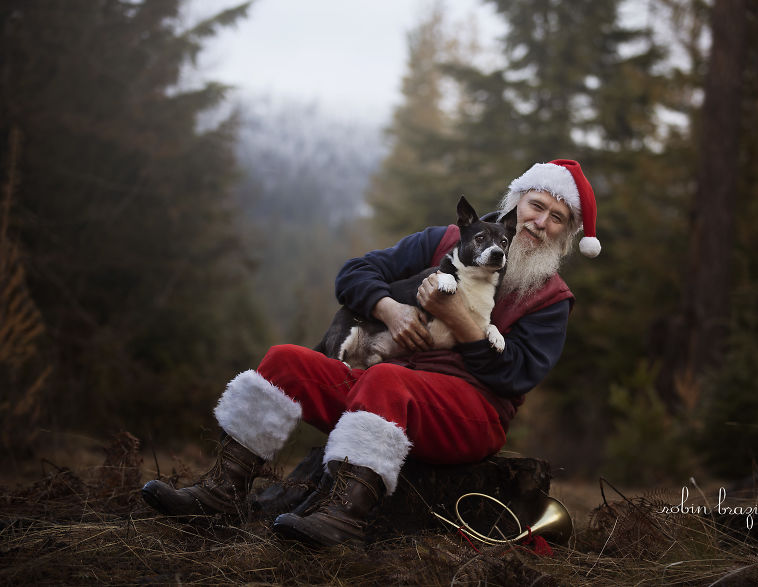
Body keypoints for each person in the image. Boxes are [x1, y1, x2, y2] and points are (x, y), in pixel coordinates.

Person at [141, 159, 600, 547]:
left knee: (386, 382)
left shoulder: (551, 299)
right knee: (285, 360)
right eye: (536, 206)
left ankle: (342, 518)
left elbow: (514, 377)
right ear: (516, 204)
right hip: (383, 390)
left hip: (469, 413)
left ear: (566, 233)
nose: (540, 222)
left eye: (557, 218)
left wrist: (459, 318)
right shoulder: (444, 241)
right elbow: (355, 272)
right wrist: (392, 310)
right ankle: (220, 492)